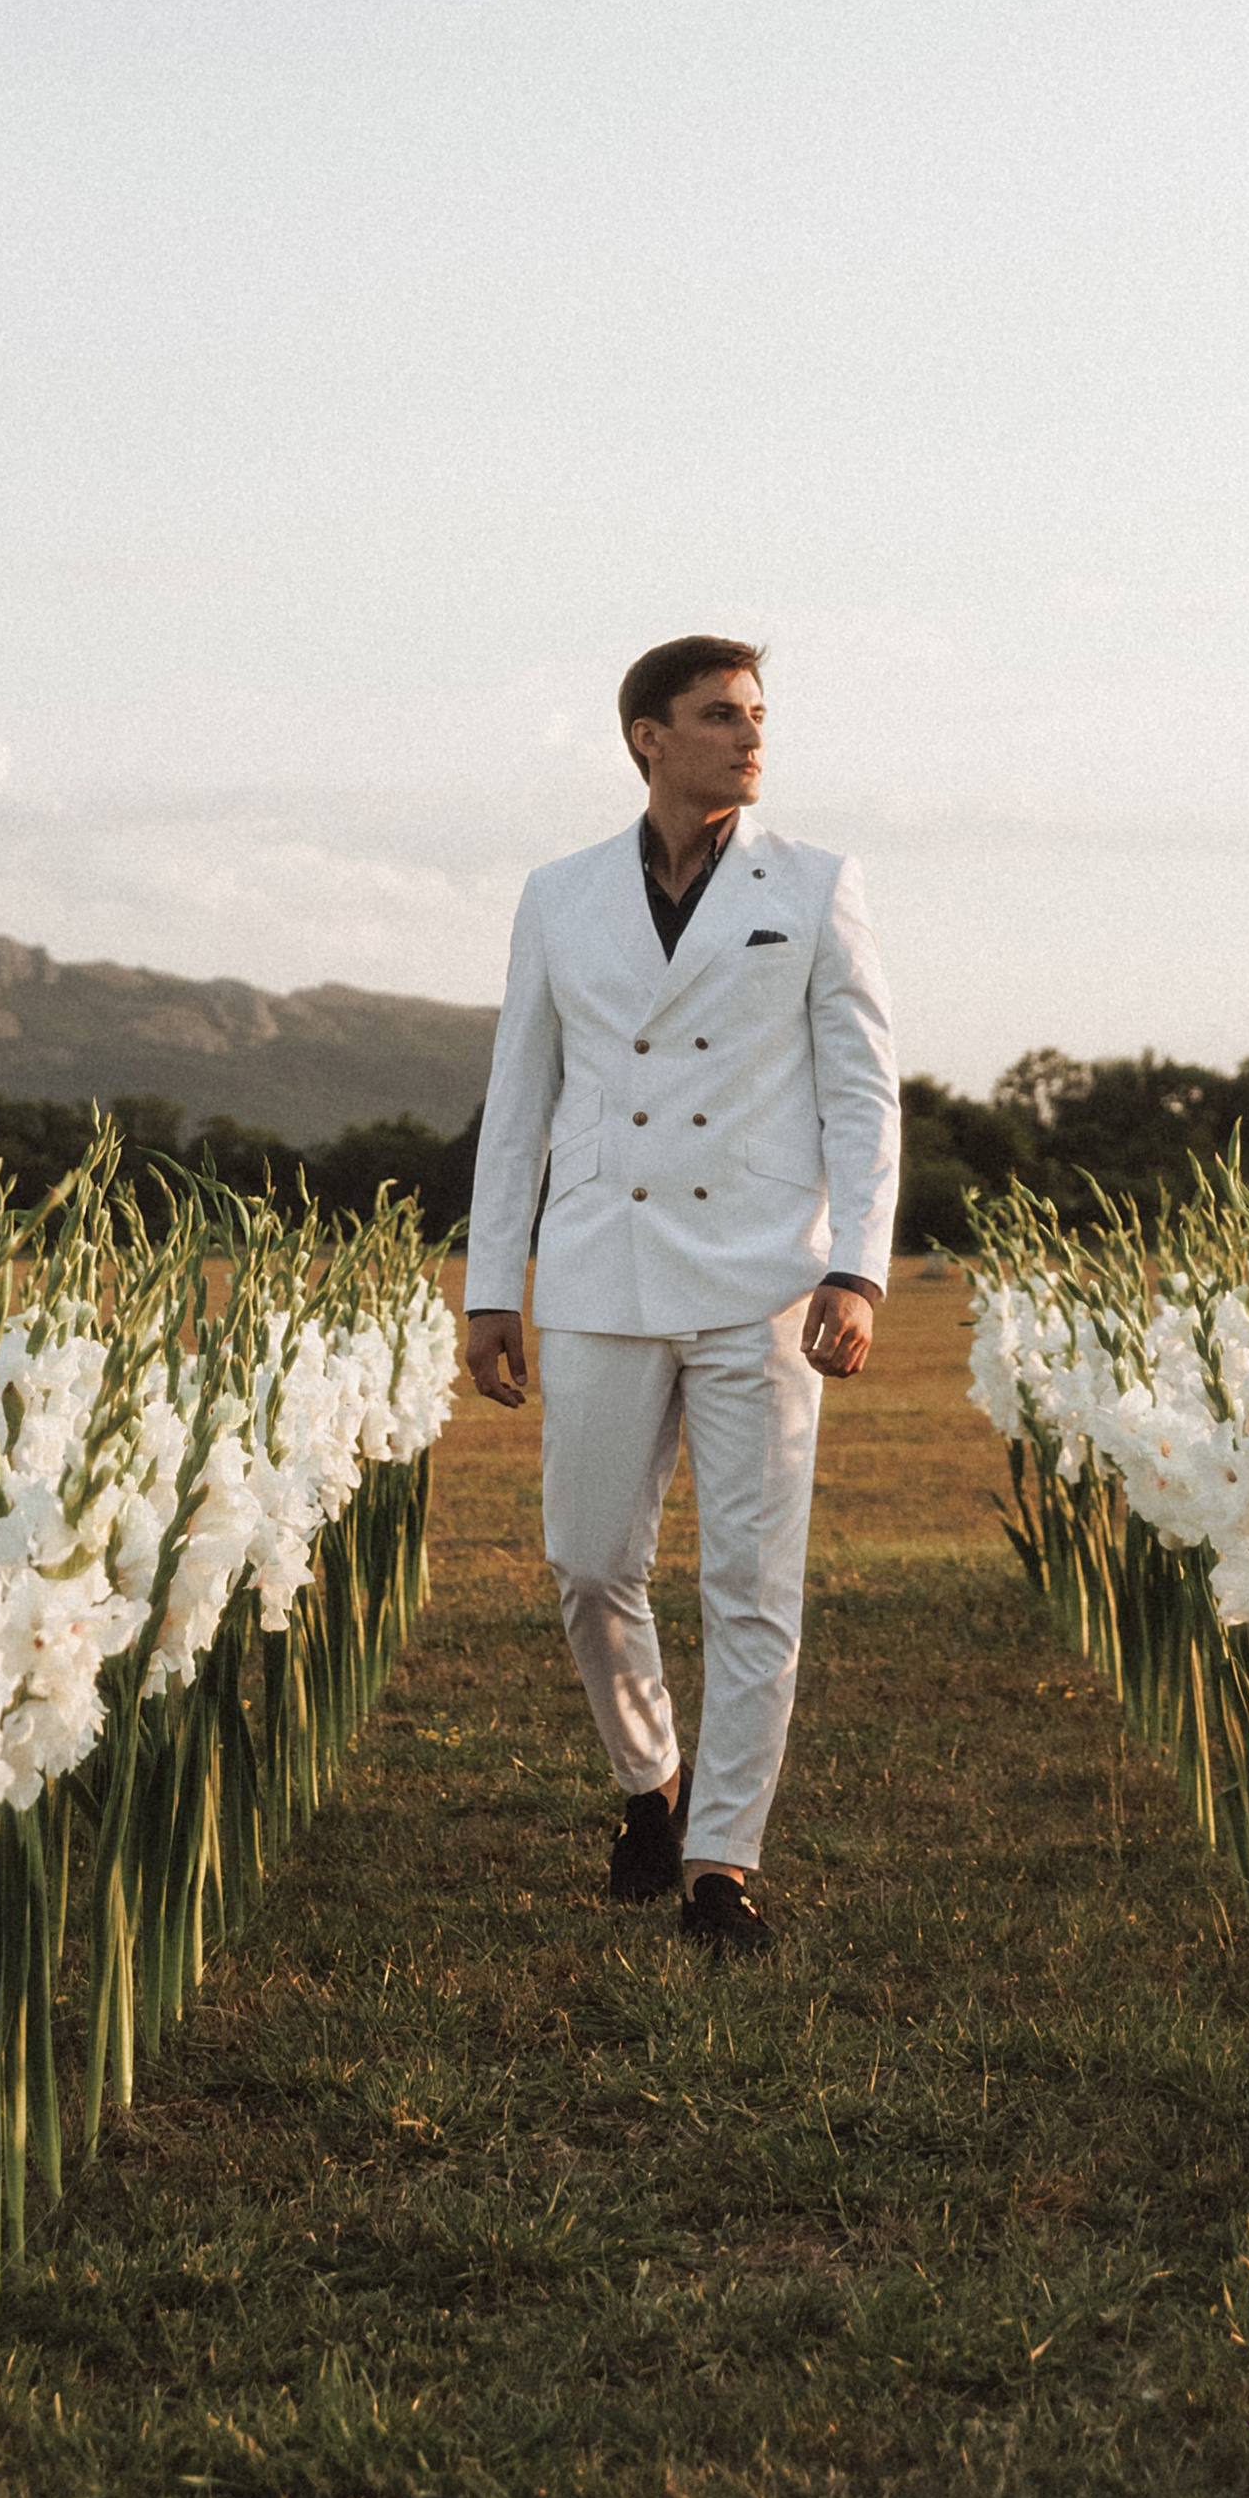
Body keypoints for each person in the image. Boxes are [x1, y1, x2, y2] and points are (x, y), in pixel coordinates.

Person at [461, 636, 901, 1956]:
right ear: (648, 735)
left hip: (764, 1270)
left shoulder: (817, 884)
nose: (751, 738)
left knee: (751, 1581)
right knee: (589, 1564)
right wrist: (496, 1282)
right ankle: (648, 1783)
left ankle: (721, 1864)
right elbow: (520, 1098)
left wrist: (860, 1266)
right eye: (720, 716)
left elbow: (864, 1091)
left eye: (758, 716)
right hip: (600, 1262)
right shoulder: (559, 894)